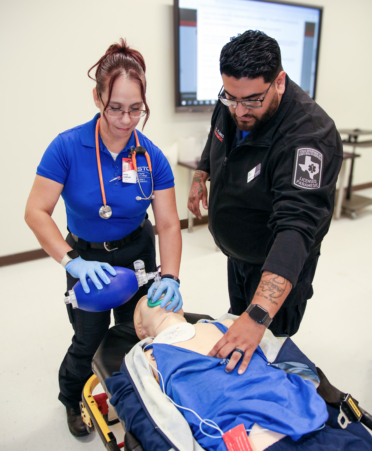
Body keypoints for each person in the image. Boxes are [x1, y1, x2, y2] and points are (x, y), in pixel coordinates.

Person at [25, 39, 182, 437]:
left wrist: (172, 276)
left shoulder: (151, 157)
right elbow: (35, 212)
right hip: (86, 259)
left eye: (136, 109)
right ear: (97, 98)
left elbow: (167, 224)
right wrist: (71, 261)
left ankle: (124, 394)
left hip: (137, 254)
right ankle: (70, 397)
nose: (126, 119)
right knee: (88, 338)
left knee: (134, 332)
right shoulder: (67, 147)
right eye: (116, 107)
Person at [187, 30, 343, 375]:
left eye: (253, 101)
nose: (239, 110)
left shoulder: (309, 138)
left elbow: (296, 228)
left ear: (280, 82)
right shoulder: (235, 98)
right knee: (237, 323)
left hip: (277, 262)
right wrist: (201, 174)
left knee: (272, 347)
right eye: (231, 98)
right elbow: (218, 137)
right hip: (238, 253)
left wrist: (258, 315)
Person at [106, 297, 372, 451]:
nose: (157, 296)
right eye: (148, 301)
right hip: (251, 442)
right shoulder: (146, 357)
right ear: (141, 329)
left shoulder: (227, 323)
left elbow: (280, 354)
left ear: (181, 307)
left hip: (306, 421)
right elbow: (140, 403)